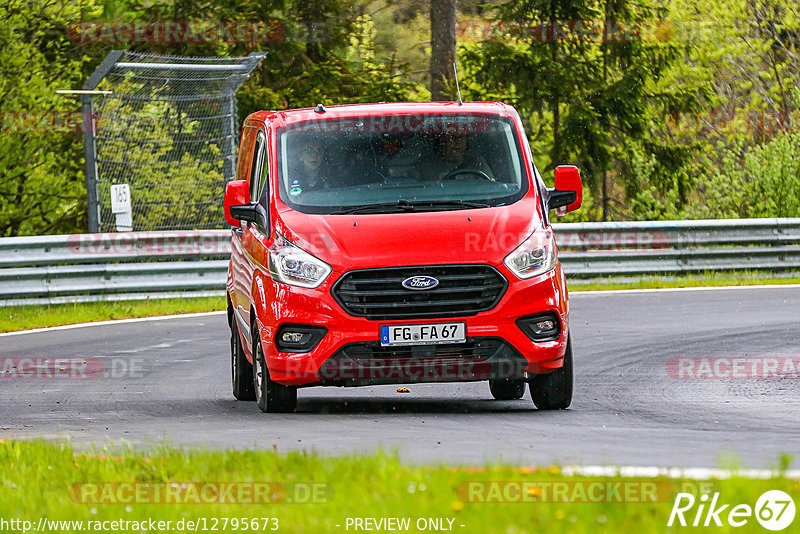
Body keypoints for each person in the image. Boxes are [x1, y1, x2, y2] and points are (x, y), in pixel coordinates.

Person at [418, 133, 493, 181]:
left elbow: (492, 188)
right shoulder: (427, 166)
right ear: (442, 140)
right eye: (452, 137)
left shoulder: (478, 164)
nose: (457, 141)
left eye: (461, 137)